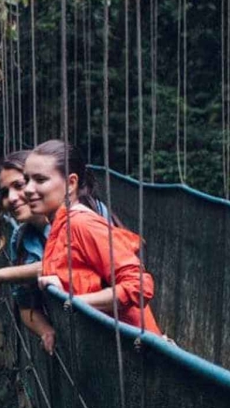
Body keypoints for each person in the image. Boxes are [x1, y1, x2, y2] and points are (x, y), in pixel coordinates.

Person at [22, 139, 164, 337]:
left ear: (71, 183)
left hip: (133, 350)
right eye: (26, 180)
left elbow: (138, 285)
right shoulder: (60, 226)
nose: (27, 189)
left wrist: (72, 301)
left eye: (40, 180)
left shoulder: (81, 224)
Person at [0, 151, 58, 353]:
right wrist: (45, 330)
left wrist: (0, 275)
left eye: (19, 185)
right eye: (4, 192)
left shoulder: (80, 218)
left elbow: (68, 265)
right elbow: (26, 305)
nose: (11, 198)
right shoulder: (20, 238)